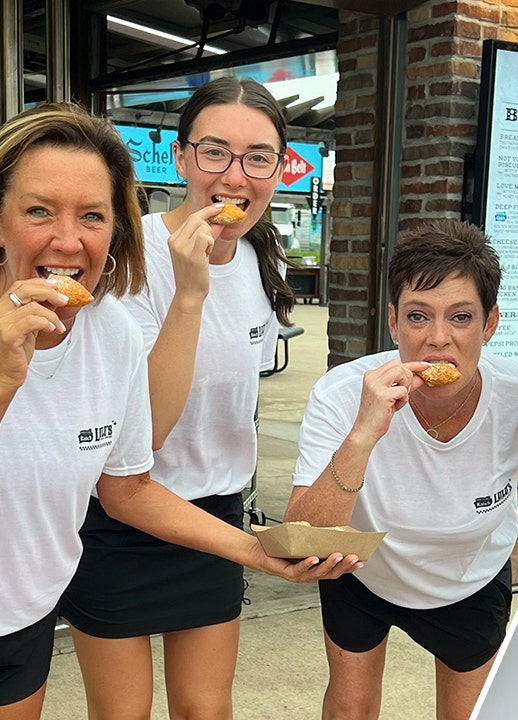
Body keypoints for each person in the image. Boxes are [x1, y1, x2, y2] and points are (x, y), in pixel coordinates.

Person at [0, 103, 353, 720]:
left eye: (92, 216)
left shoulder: (108, 328)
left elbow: (126, 482)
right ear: (184, 157)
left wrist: (257, 550)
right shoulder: (139, 281)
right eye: (38, 210)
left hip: (41, 597)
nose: (67, 239)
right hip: (109, 546)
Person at [284, 218, 518, 720]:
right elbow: (304, 539)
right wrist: (363, 435)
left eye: (460, 317)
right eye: (417, 317)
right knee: (349, 709)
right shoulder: (343, 394)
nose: (438, 339)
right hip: (363, 573)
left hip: (468, 578)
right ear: (393, 323)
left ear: (489, 324)